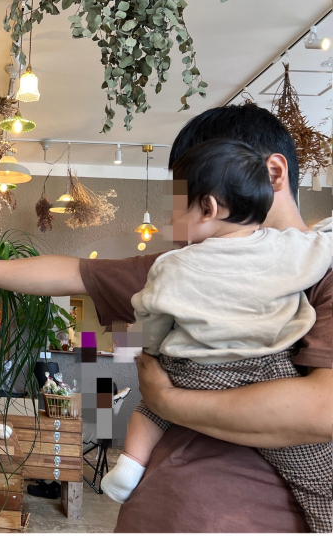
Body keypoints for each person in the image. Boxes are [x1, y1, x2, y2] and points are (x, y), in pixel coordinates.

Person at [0, 104, 333, 532]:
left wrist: (168, 402)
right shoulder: (183, 267)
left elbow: (322, 411)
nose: (177, 217)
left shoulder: (320, 269)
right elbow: (73, 271)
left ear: (272, 174)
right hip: (157, 511)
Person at [96, 139, 332, 532]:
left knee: (151, 408)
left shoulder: (173, 265)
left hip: (195, 372)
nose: (171, 224)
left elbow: (150, 319)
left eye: (176, 209)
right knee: (320, 484)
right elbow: (324, 244)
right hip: (271, 375)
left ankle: (129, 465)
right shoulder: (294, 249)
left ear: (207, 208)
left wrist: (146, 352)